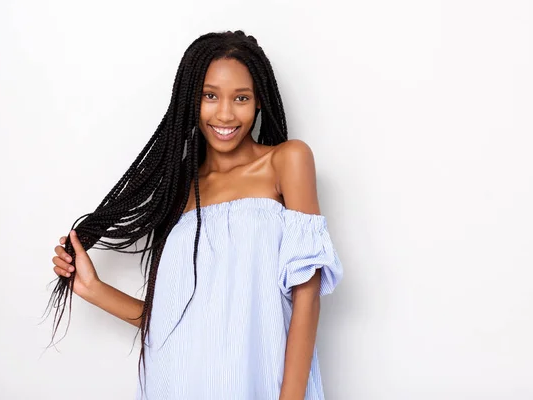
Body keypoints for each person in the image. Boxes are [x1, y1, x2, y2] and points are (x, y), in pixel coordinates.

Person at [47, 30, 344, 400]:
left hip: (262, 382)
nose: (225, 113)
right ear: (192, 100)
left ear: (259, 102)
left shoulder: (288, 161)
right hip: (178, 382)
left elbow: (307, 294)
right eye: (210, 95)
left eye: (241, 98)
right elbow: (177, 322)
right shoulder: (180, 191)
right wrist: (93, 289)